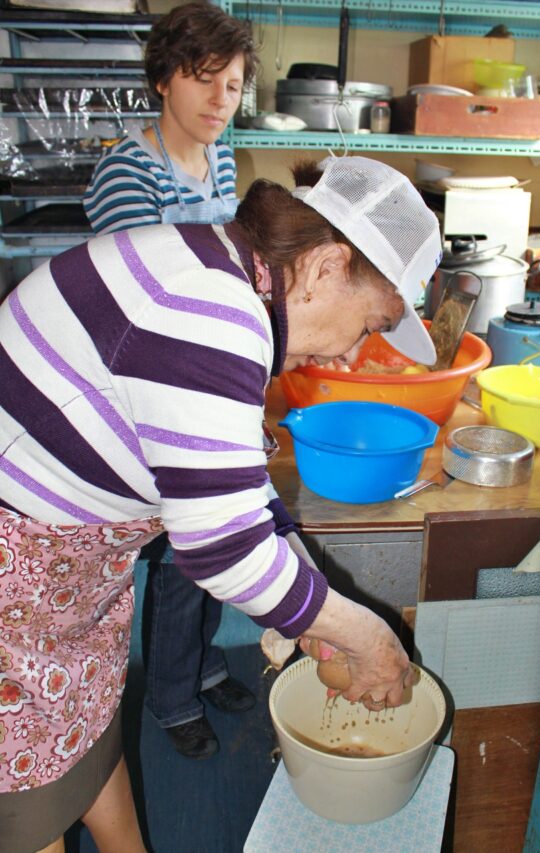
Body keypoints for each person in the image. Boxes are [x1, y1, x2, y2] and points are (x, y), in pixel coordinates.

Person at [0, 153, 442, 852]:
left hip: (60, 576)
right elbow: (222, 548)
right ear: (327, 267)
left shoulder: (225, 275)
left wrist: (314, 609)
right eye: (369, 324)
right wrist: (369, 635)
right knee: (27, 810)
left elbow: (239, 497)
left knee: (83, 743)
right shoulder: (214, 308)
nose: (357, 355)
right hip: (16, 585)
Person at [83, 1, 259, 760]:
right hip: (136, 384)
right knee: (191, 547)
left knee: (209, 540)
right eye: (205, 79)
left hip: (194, 372)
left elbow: (220, 260)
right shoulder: (128, 169)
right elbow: (147, 303)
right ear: (162, 79)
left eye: (235, 83)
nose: (222, 99)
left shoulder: (218, 156)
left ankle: (197, 657)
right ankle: (169, 696)